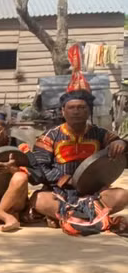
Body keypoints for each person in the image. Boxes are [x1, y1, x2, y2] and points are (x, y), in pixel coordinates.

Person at [31, 90, 127, 234]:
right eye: (71, 107)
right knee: (38, 199)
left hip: (94, 192)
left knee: (122, 195)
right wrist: (66, 180)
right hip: (60, 191)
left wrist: (120, 143)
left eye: (81, 107)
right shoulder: (49, 136)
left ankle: (66, 218)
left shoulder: (100, 133)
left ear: (88, 111)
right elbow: (40, 166)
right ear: (63, 111)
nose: (76, 111)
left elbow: (118, 143)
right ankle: (96, 218)